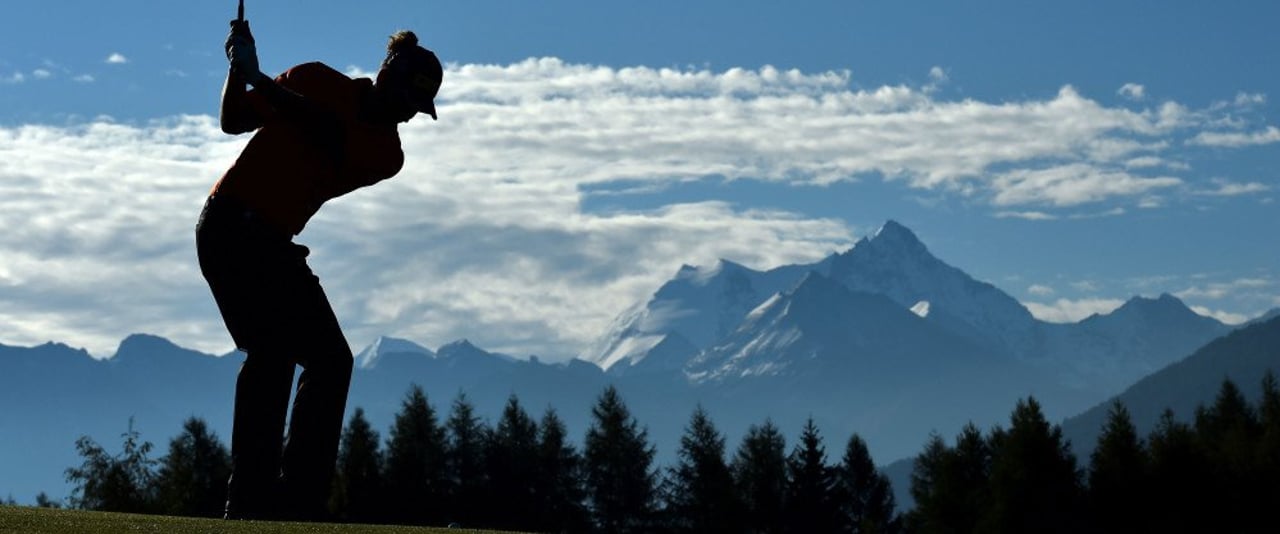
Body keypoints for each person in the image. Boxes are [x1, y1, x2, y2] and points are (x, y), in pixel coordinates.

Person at [196, 16, 442, 521]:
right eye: (407, 100)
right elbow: (233, 119)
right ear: (385, 75)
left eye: (418, 109)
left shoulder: (386, 153)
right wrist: (237, 69)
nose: (409, 115)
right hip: (228, 227)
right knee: (274, 354)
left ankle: (294, 503)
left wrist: (261, 77)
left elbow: (327, 133)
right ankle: (250, 505)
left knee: (330, 360)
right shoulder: (312, 78)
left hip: (270, 242)